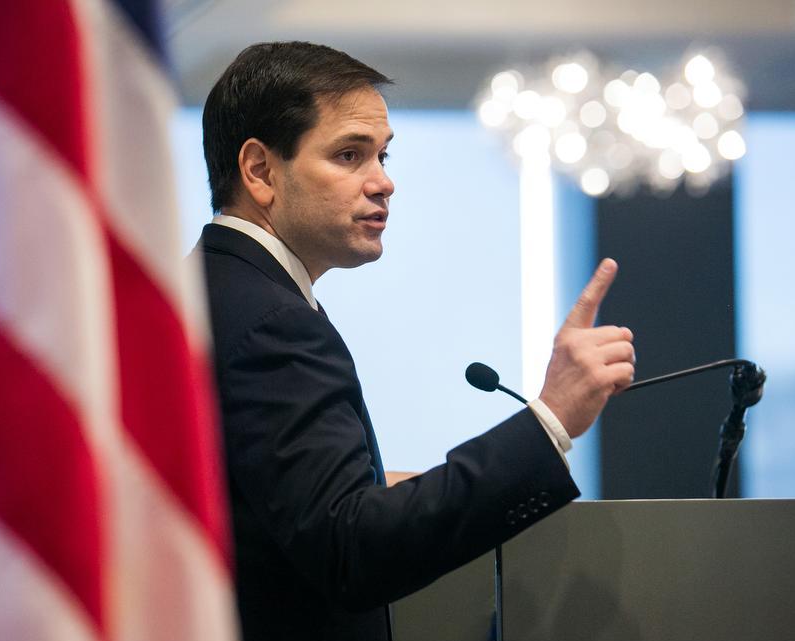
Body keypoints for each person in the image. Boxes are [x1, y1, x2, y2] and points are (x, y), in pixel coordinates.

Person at [192, 41, 636, 641]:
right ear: (260, 171)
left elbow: (274, 505)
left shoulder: (212, 287)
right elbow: (351, 546)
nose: (384, 182)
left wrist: (389, 486)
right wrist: (552, 418)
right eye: (349, 155)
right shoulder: (272, 322)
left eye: (382, 155)